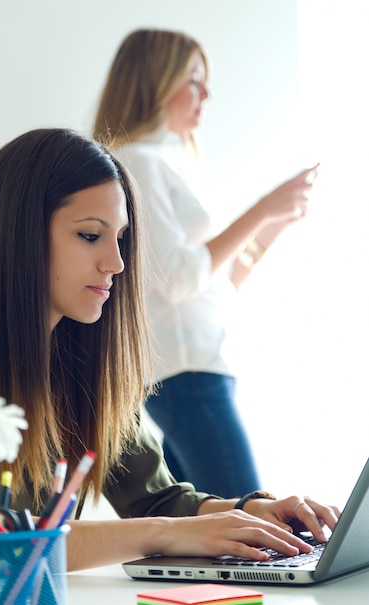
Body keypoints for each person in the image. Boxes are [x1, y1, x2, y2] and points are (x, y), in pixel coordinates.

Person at [0, 128, 338, 573]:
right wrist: (166, 533)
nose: (116, 263)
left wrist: (247, 511)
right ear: (19, 234)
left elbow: (155, 496)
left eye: (120, 238)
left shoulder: (84, 356)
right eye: (90, 236)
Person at [93, 28, 318, 498]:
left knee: (214, 527)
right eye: (194, 78)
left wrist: (265, 235)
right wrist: (260, 209)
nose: (207, 93)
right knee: (250, 516)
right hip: (187, 377)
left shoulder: (167, 163)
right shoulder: (137, 161)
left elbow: (209, 288)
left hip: (197, 372)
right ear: (157, 81)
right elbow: (177, 279)